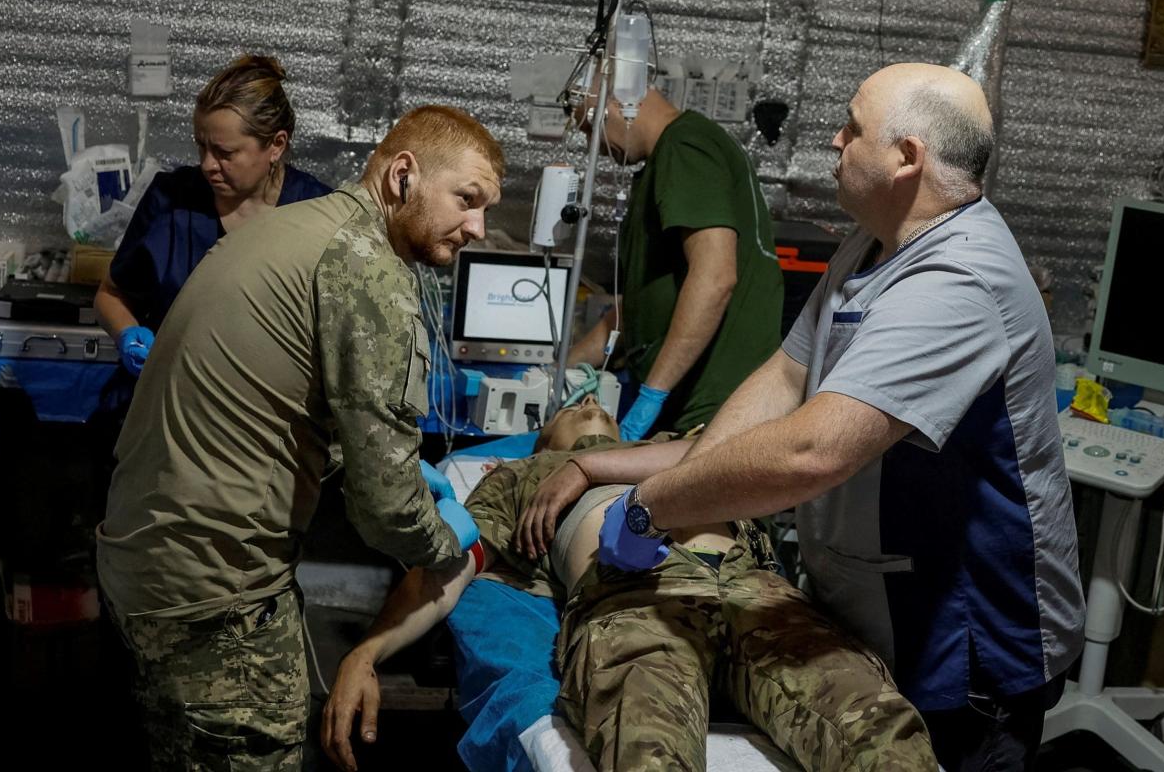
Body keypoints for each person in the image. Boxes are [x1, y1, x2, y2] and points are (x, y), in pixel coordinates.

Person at [557, 63, 1084, 772]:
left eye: (852, 128)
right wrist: (633, 464)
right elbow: (783, 377)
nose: (833, 142)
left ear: (906, 158)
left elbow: (812, 451)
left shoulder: (959, 280)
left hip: (965, 645)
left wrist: (653, 505)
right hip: (867, 614)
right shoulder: (872, 243)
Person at [96, 105, 504, 770]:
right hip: (216, 596)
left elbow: (279, 396)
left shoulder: (293, 229)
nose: (477, 227)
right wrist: (447, 540)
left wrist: (358, 460)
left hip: (142, 563)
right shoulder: (367, 268)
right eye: (466, 199)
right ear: (403, 175)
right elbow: (384, 510)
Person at [321, 398, 936, 772]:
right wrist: (367, 651)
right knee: (644, 747)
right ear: (541, 441)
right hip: (633, 603)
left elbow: (746, 451)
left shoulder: (683, 447)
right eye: (568, 409)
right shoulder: (521, 477)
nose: (587, 402)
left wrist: (594, 464)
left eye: (597, 404)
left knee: (878, 729)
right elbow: (447, 569)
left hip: (758, 593)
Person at [566, 83, 785, 441]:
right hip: (690, 406)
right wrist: (562, 370)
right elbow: (635, 308)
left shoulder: (685, 148)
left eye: (591, 127)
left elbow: (715, 278)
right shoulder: (669, 159)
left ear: (619, 104)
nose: (596, 145)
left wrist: (652, 395)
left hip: (712, 411)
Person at [95, 54, 332, 383]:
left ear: (276, 145)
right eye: (201, 146)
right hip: (171, 394)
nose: (207, 164)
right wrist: (128, 334)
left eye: (225, 153)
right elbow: (111, 294)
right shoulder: (170, 200)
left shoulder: (318, 213)